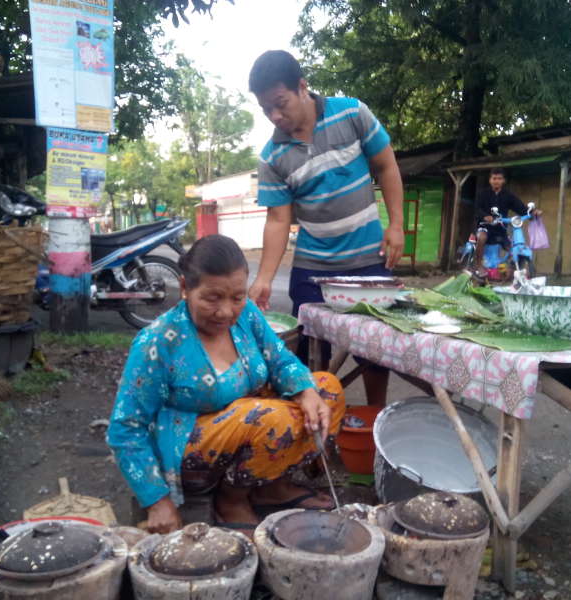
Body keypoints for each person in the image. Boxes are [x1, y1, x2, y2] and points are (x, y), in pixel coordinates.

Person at [107, 234, 345, 535]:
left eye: (236, 297)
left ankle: (270, 486)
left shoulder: (247, 314)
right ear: (184, 288)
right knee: (270, 419)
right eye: (212, 298)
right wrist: (157, 500)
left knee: (327, 389)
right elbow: (125, 428)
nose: (227, 312)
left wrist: (306, 392)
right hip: (192, 449)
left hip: (250, 423)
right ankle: (231, 499)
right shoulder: (157, 342)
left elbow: (280, 359)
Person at [246, 49, 404, 406]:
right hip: (313, 268)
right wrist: (264, 278)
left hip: (367, 259)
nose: (275, 115)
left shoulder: (351, 113)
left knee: (374, 351)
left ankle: (374, 416)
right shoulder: (272, 156)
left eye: (280, 103)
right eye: (265, 109)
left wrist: (396, 225)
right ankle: (314, 430)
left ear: (302, 87)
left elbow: (387, 166)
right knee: (305, 351)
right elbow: (278, 220)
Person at [473, 168, 541, 277]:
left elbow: (520, 207)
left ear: (503, 181)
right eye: (494, 178)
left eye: (499, 178)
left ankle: (511, 271)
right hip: (485, 226)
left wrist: (532, 212)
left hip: (501, 228)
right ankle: (479, 265)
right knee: (481, 238)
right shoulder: (483, 194)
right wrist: (485, 216)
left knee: (512, 247)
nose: (496, 181)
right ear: (490, 180)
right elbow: (477, 209)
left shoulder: (508, 195)